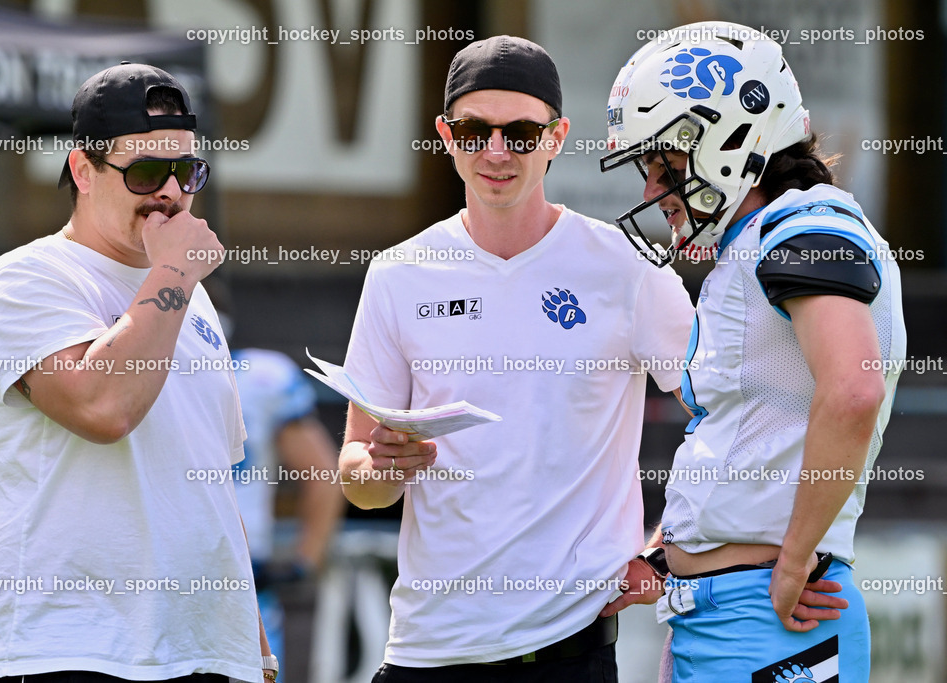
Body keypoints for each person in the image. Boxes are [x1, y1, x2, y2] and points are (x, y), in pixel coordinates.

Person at [338, 35, 695, 682]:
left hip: (570, 649)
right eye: (475, 131)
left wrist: (669, 548)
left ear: (556, 137)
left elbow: (730, 411)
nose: (496, 152)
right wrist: (383, 464)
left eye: (521, 133)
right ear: (446, 135)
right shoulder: (399, 274)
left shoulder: (625, 268)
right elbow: (358, 476)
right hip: (427, 648)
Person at [600, 21, 906, 681]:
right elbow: (747, 429)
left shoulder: (806, 226)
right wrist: (667, 555)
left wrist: (794, 561)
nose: (653, 191)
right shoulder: (761, 236)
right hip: (720, 614)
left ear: (733, 137)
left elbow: (853, 390)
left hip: (771, 616)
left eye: (666, 165)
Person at [0, 63, 277, 683]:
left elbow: (211, 485)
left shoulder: (189, 295)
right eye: (147, 172)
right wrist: (176, 274)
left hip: (200, 653)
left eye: (186, 172)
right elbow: (103, 409)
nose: (171, 193)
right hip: (67, 650)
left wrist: (252, 646)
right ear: (82, 170)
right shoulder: (25, 278)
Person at [231, 344, 345, 683]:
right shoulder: (258, 376)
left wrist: (302, 563)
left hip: (241, 581)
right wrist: (302, 565)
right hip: (237, 578)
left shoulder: (260, 376)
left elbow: (324, 477)